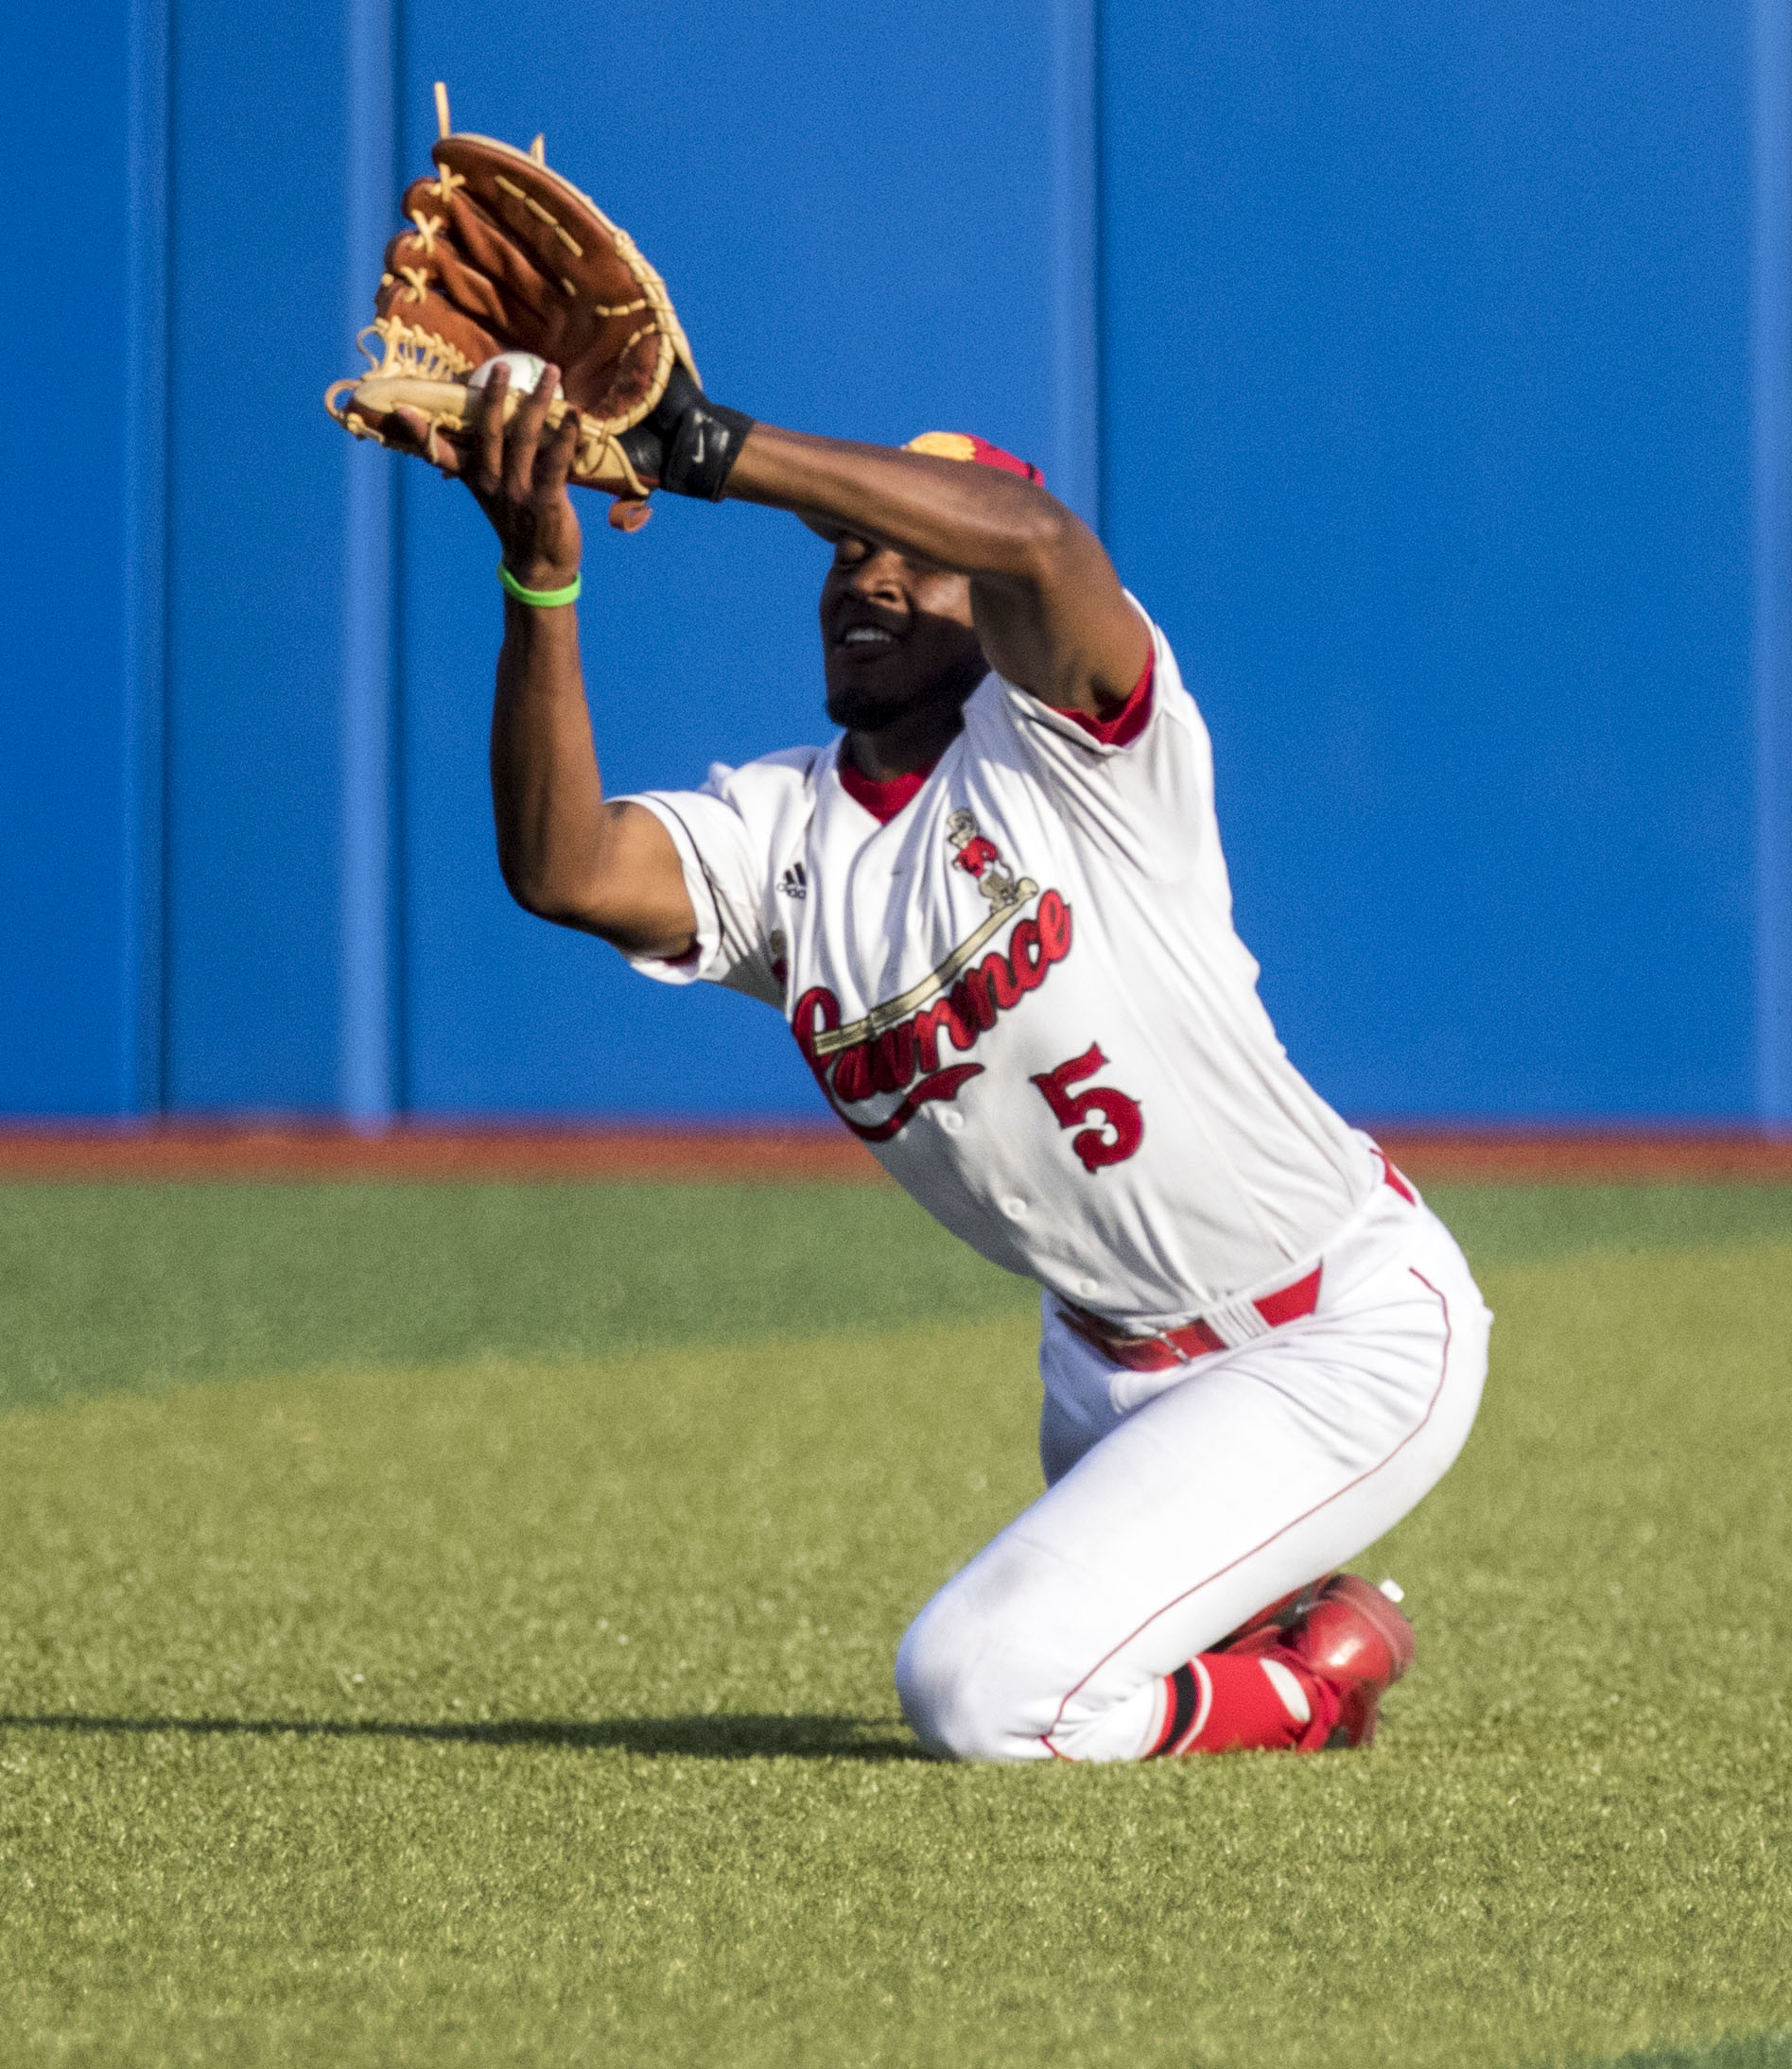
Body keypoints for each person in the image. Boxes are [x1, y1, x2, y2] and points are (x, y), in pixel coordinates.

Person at [374, 366, 1488, 1763]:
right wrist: (539, 583)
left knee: (977, 1691)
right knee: (1058, 1651)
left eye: (917, 553)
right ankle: (1269, 1617)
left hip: (1334, 1330)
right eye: (849, 551)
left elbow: (1034, 542)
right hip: (1102, 1384)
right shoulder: (782, 837)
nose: (870, 576)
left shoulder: (1076, 748)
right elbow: (566, 867)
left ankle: (1309, 1684)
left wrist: (714, 450)